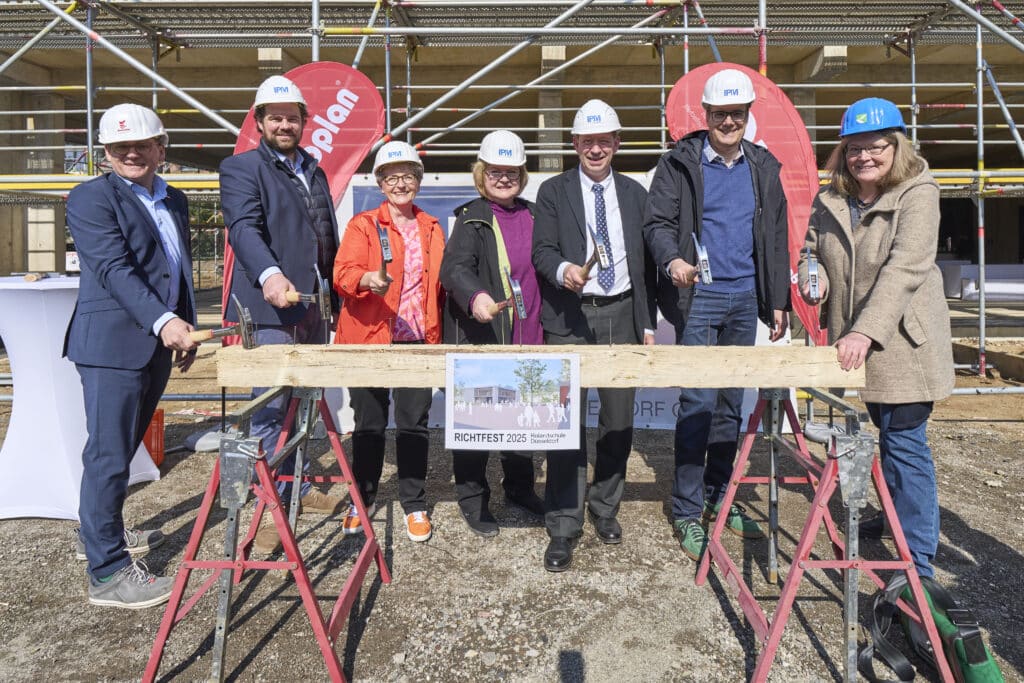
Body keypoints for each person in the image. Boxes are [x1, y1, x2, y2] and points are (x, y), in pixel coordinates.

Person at [798, 97, 954, 580]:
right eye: (855, 149)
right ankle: (889, 516)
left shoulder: (917, 192)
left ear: (896, 145)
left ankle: (917, 564)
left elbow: (906, 266)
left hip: (902, 343)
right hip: (856, 341)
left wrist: (865, 330)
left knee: (905, 442)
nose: (864, 157)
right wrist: (814, 275)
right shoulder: (832, 199)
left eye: (876, 147)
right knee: (885, 433)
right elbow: (810, 249)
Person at [644, 68, 791, 562]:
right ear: (704, 115)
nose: (728, 121)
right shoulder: (679, 165)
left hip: (746, 297)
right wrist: (673, 260)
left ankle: (717, 493)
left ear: (748, 115)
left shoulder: (763, 166)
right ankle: (686, 510)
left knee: (730, 402)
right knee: (698, 403)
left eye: (737, 113)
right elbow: (658, 224)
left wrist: (779, 299)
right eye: (720, 113)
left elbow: (774, 237)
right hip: (700, 297)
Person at [64, 103, 197, 608]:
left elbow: (175, 269)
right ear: (106, 153)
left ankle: (98, 535)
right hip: (111, 345)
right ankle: (108, 573)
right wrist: (166, 323)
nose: (132, 153)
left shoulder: (175, 199)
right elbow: (114, 269)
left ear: (161, 148)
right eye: (121, 147)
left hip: (157, 343)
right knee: (108, 453)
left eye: (142, 144)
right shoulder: (91, 198)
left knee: (118, 450)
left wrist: (182, 320)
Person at [532, 100, 656, 572]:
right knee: (566, 425)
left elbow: (643, 267)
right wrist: (565, 270)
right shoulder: (552, 191)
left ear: (617, 144)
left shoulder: (634, 193)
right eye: (588, 141)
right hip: (571, 316)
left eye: (605, 141)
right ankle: (564, 523)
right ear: (575, 145)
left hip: (622, 313)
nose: (596, 149)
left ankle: (605, 507)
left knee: (619, 421)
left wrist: (645, 323)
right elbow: (541, 250)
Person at [220, 75, 343, 554]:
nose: (285, 124)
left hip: (312, 306)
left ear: (303, 123)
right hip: (270, 308)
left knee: (304, 404)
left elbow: (320, 232)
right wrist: (270, 275)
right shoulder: (242, 168)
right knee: (270, 408)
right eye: (276, 117)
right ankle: (270, 506)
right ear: (260, 122)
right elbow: (244, 228)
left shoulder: (311, 168)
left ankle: (294, 485)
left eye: (293, 117)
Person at [333, 141, 445, 543]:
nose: (401, 183)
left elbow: (439, 289)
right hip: (369, 339)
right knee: (369, 423)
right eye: (392, 176)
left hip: (417, 339)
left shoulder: (432, 227)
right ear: (380, 182)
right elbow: (342, 273)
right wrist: (367, 279)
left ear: (418, 180)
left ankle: (414, 503)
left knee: (414, 424)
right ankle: (361, 500)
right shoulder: (363, 225)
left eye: (408, 175)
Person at [439, 130, 545, 537]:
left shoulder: (536, 215)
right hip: (488, 333)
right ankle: (473, 498)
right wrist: (476, 296)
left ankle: (519, 488)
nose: (504, 178)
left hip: (530, 329)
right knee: (479, 419)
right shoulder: (472, 218)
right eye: (496, 171)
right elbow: (454, 269)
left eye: (512, 171)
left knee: (522, 416)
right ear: (482, 174)